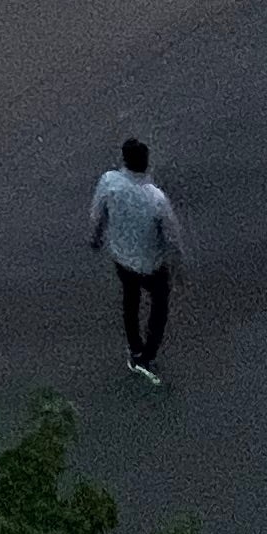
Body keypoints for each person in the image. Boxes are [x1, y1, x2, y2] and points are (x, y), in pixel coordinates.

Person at [88, 137, 185, 383]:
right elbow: (172, 238)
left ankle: (135, 347)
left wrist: (96, 237)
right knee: (159, 306)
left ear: (124, 160)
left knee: (130, 300)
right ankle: (148, 354)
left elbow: (97, 213)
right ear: (146, 163)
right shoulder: (156, 198)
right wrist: (177, 269)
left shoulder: (109, 182)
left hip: (121, 257)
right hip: (152, 263)